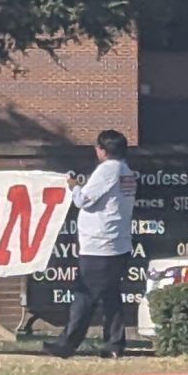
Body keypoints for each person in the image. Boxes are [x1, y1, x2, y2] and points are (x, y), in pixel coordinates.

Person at [43, 129, 137, 360]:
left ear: (102, 150)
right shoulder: (126, 171)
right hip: (119, 243)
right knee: (110, 296)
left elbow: (84, 200)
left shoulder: (107, 170)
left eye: (97, 147)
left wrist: (73, 185)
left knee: (84, 296)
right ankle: (114, 343)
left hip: (99, 245)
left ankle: (67, 343)